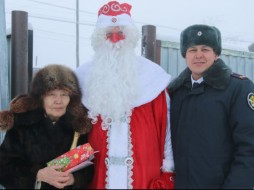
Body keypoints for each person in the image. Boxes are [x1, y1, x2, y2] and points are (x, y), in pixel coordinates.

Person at [75, 1, 175, 189]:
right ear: (99, 39)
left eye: (120, 33)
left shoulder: (152, 76)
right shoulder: (82, 78)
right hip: (96, 174)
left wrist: (168, 170)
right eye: (108, 34)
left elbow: (167, 127)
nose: (115, 39)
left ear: (129, 38)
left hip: (143, 174)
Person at [168, 24, 254, 189]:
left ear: (216, 54)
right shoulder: (175, 92)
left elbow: (249, 149)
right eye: (192, 50)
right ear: (184, 55)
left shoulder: (238, 89)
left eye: (205, 49)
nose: (198, 55)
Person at [0, 64, 93, 189]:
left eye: (64, 94)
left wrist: (74, 179)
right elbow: (4, 166)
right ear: (41, 97)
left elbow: (91, 166)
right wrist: (38, 175)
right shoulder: (22, 124)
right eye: (52, 94)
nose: (58, 101)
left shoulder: (78, 126)